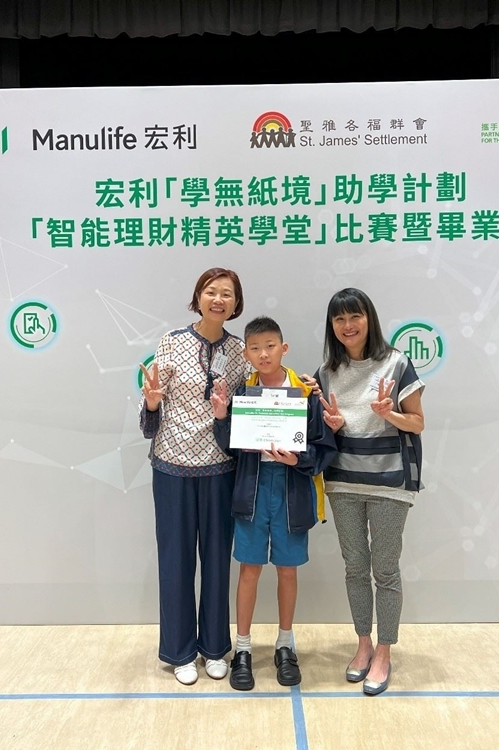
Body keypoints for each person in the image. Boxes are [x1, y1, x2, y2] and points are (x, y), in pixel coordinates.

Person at [211, 316, 337, 691]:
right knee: (249, 569)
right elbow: (230, 446)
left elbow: (324, 447)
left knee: (287, 570)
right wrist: (222, 417)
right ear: (246, 354)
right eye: (255, 348)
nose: (263, 354)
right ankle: (243, 649)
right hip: (251, 490)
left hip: (291, 490)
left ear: (284, 348)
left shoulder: (305, 393)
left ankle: (285, 645)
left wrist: (299, 459)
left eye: (270, 346)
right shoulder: (243, 393)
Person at [139, 268, 248, 685]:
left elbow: (251, 406)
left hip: (221, 468)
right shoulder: (172, 342)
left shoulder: (240, 351)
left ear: (236, 304)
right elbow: (152, 407)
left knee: (218, 560)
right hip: (171, 467)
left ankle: (215, 647)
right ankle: (181, 651)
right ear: (198, 297)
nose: (218, 299)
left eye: (227, 294)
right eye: (211, 291)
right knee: (176, 560)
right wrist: (152, 403)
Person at [314, 288, 425, 696]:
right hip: (343, 481)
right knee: (355, 568)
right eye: (339, 319)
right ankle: (363, 645)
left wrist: (389, 414)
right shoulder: (326, 372)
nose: (348, 325)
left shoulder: (397, 363)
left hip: (390, 481)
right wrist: (332, 425)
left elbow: (417, 423)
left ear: (369, 319)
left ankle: (384, 651)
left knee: (386, 570)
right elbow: (325, 430)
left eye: (355, 316)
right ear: (332, 326)